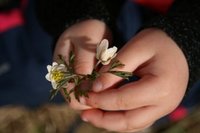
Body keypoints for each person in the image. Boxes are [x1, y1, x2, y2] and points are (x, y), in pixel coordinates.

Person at [36, 0, 200, 132]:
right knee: (29, 78)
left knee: (157, 96)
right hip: (94, 17)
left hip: (186, 42)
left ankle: (161, 112)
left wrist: (187, 42)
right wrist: (81, 11)